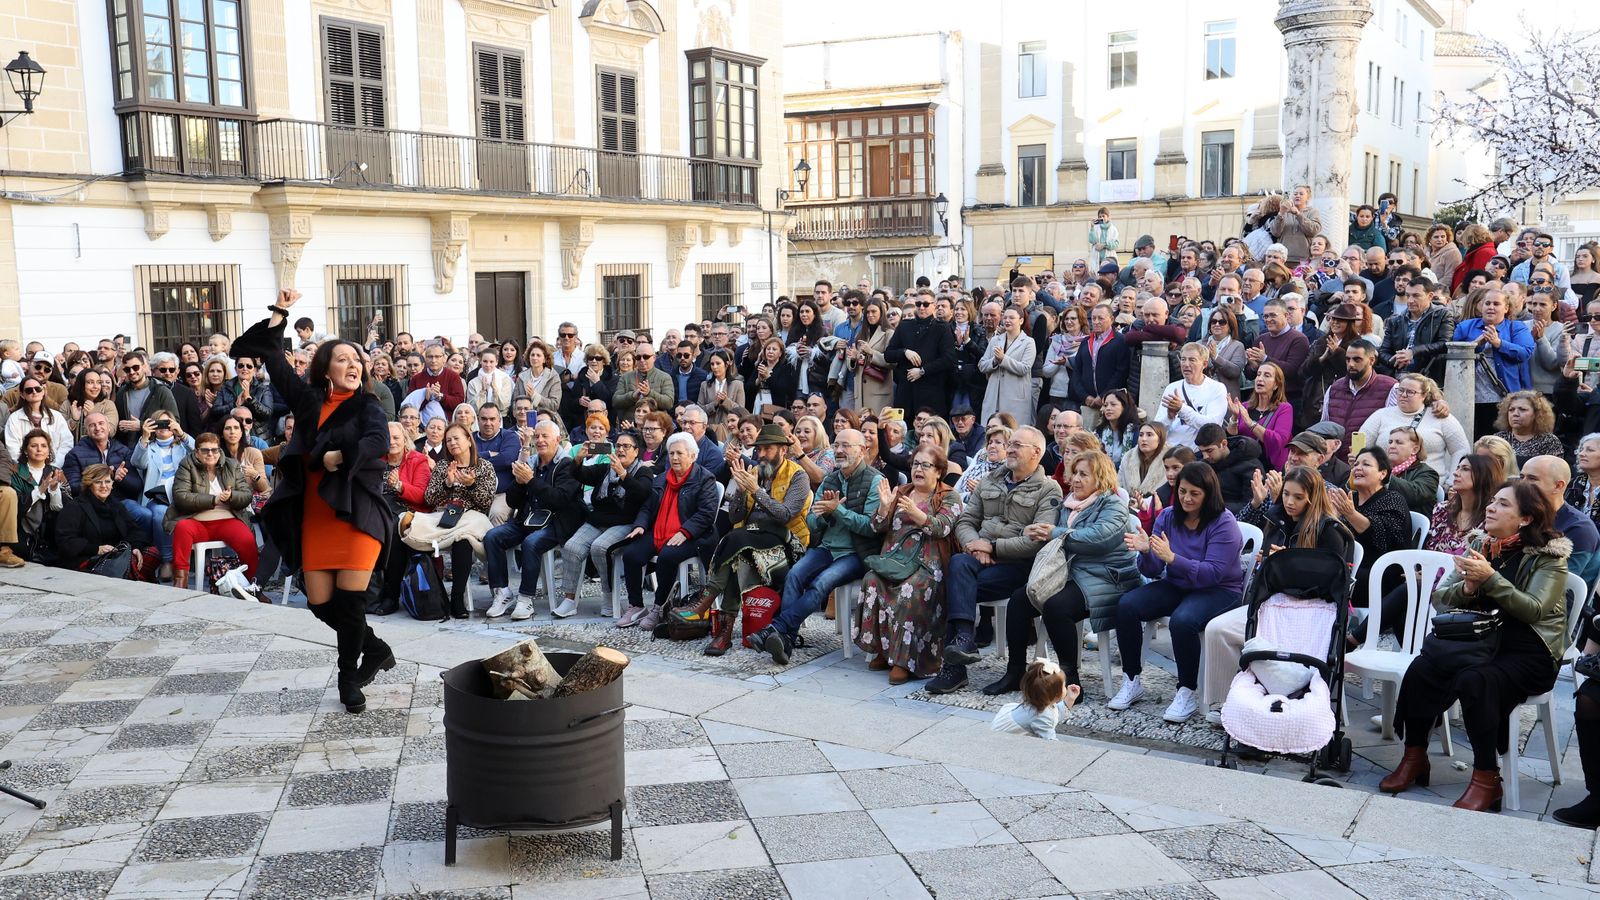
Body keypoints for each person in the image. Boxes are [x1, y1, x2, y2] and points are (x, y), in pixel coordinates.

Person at [231, 289, 394, 715]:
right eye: (343, 359)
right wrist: (280, 311)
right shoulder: (307, 401)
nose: (353, 365)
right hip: (315, 516)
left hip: (356, 513)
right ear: (325, 368)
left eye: (357, 360)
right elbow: (271, 356)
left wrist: (341, 456)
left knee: (351, 603)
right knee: (321, 604)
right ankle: (375, 648)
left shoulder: (367, 405)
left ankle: (348, 679)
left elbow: (378, 441)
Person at [1381, 481, 1568, 812]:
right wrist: (1468, 589)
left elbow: (1534, 610)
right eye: (1493, 501)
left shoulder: (1549, 557)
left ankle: (1486, 777)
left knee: (1475, 680)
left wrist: (1490, 579)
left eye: (1503, 504)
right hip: (1482, 641)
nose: (1491, 507)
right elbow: (1441, 599)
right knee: (1423, 668)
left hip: (1530, 650)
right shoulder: (1482, 545)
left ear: (1526, 519)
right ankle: (1414, 756)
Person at [985, 450, 1138, 697]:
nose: (1075, 479)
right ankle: (1015, 672)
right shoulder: (1070, 503)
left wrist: (1054, 533)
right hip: (1072, 573)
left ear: (1101, 477)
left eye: (1083, 474)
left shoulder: (1113, 504)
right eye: (1074, 473)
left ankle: (1071, 682)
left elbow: (1099, 539)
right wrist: (1031, 531)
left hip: (1108, 577)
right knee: (1019, 600)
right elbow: (1051, 531)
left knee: (1057, 607)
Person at [932, 426, 1062, 694]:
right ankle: (965, 639)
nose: (1009, 449)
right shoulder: (991, 479)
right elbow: (966, 521)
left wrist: (992, 547)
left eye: (1017, 445)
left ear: (1036, 452)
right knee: (958, 563)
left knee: (955, 586)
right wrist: (974, 546)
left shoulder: (1049, 489)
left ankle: (954, 668)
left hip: (1018, 567)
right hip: (978, 559)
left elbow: (1036, 541)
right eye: (1009, 444)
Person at [1216, 464, 1355, 710]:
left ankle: (1274, 694)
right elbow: (1268, 576)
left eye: (1298, 497)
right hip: (1272, 604)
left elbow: (1329, 584)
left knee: (1238, 636)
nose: (1290, 502)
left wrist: (1287, 563)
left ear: (1313, 498)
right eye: (1286, 494)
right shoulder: (1276, 518)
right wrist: (1267, 564)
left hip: (1310, 611)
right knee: (1216, 630)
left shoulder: (1329, 531)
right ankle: (1228, 700)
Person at [1113, 462, 1243, 722]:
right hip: (1179, 584)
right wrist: (1147, 552)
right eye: (1182, 491)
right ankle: (1131, 679)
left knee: (1183, 621)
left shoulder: (1223, 522)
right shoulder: (1168, 516)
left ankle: (1186, 690)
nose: (1186, 498)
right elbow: (1152, 570)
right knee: (1127, 605)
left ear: (1208, 493)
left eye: (1195, 493)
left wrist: (1173, 558)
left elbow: (1213, 573)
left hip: (1219, 590)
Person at [479, 421, 581, 620]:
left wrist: (531, 481)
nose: (540, 440)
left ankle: (526, 598)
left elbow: (559, 499)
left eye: (545, 436)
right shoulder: (531, 462)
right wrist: (518, 483)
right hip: (527, 520)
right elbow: (512, 501)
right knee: (492, 536)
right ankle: (503, 592)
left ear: (557, 440)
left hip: (556, 521)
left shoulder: (567, 465)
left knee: (531, 543)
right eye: (537, 436)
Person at [618, 433, 720, 630]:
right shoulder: (662, 478)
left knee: (667, 557)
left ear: (692, 456)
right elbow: (647, 507)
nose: (674, 457)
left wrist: (685, 531)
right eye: (671, 453)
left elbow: (706, 513)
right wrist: (640, 525)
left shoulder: (705, 478)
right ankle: (636, 606)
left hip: (694, 535)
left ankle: (659, 607)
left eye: (679, 453)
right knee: (631, 554)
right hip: (660, 530)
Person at [560, 429, 650, 617]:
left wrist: (623, 474)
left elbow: (642, 493)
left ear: (636, 451)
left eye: (626, 446)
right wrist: (579, 459)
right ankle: (569, 599)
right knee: (571, 546)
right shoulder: (606, 468)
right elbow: (580, 475)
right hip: (598, 520)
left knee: (599, 547)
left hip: (626, 522)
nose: (621, 450)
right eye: (618, 446)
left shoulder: (643, 471)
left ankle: (608, 596)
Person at [165, 431, 257, 595]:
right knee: (182, 528)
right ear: (196, 452)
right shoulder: (186, 465)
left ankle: (252, 586)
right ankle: (180, 581)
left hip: (227, 520)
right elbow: (181, 496)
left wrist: (231, 496)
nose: (211, 454)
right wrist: (213, 500)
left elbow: (246, 495)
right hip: (196, 520)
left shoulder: (231, 465)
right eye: (205, 450)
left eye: (215, 450)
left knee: (247, 539)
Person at [55, 463, 160, 580]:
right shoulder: (75, 507)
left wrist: (136, 547)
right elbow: (65, 540)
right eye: (98, 482)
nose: (104, 486)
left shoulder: (116, 505)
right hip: (88, 558)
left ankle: (134, 577)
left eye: (107, 481)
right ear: (89, 485)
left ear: (112, 484)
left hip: (116, 556)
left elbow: (134, 530)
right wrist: (97, 549)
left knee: (152, 553)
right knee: (123, 569)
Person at [1454, 287, 1534, 434]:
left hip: (1505, 397)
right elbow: (1454, 356)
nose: (1491, 307)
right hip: (1470, 398)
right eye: (1487, 303)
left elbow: (1525, 353)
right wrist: (1475, 345)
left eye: (1496, 304)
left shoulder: (1516, 327)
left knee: (1500, 442)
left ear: (1506, 308)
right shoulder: (1465, 327)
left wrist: (1499, 343)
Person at [1155, 343, 1228, 449]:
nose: (1186, 364)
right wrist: (1169, 417)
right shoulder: (1172, 388)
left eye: (1192, 360)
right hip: (1171, 451)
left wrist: (1182, 409)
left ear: (1204, 364)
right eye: (1183, 359)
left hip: (1199, 454)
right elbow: (1157, 428)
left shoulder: (1217, 388)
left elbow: (1212, 426)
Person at [991, 658, 1081, 741]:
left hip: (1008, 722)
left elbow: (1056, 713)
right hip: (1004, 740)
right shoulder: (1041, 717)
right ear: (1057, 693)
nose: (1065, 687)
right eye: (1064, 685)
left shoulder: (1039, 704)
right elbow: (1050, 742)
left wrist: (1070, 699)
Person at [1228, 362, 1294, 470]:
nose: (1260, 378)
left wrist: (1250, 423)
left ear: (1276, 385)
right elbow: (1232, 438)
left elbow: (1279, 441)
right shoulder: (1245, 406)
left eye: (1267, 375)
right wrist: (1234, 417)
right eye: (1258, 374)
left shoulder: (1284, 408)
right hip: (1244, 467)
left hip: (1269, 468)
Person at [979, 306, 1036, 426]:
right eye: (1005, 317)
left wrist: (1003, 359)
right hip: (994, 396)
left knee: (1013, 430)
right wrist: (995, 361)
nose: (1007, 320)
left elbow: (1024, 368)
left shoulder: (1028, 342)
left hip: (1015, 397)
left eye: (1011, 318)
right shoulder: (995, 340)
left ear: (1021, 320)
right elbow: (982, 365)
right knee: (991, 429)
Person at [1195, 422, 1264, 512]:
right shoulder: (1203, 463)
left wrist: (1215, 508)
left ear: (1224, 444)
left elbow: (1251, 504)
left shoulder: (1251, 467)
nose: (1205, 456)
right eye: (1202, 451)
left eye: (1209, 450)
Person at [5, 377, 73, 466]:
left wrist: (54, 466)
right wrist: (28, 467)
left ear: (43, 391)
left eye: (38, 389)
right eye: (29, 390)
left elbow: (66, 443)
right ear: (22, 394)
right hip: (25, 469)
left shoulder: (56, 416)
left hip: (55, 467)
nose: (34, 392)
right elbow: (13, 448)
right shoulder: (14, 418)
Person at [1493, 390, 1564, 469]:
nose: (1515, 414)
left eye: (1522, 409)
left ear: (1537, 414)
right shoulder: (1498, 439)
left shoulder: (1549, 441)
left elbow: (1554, 471)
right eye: (1511, 410)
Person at [1383, 426, 1441, 515]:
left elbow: (1415, 494)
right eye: (1390, 442)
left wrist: (1386, 477)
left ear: (1414, 449)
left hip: (1410, 522)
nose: (1391, 446)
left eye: (1399, 442)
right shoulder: (1385, 470)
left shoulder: (1428, 473)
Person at [1119, 422, 1169, 498]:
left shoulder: (1170, 459)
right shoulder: (1128, 457)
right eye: (1141, 435)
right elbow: (1119, 485)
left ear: (1160, 439)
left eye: (1149, 435)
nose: (1144, 439)